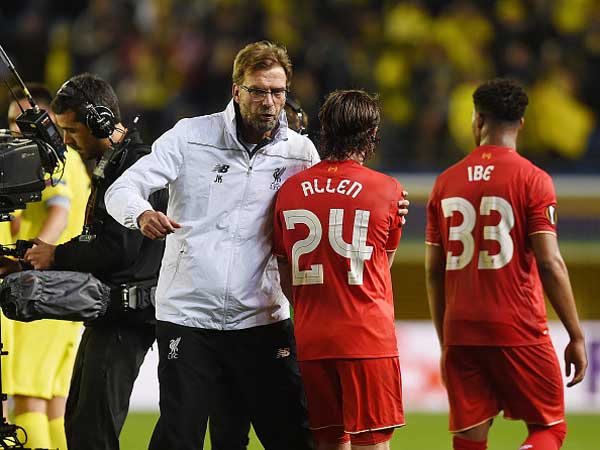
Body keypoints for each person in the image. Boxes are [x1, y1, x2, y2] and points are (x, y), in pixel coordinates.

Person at [105, 39, 318, 450]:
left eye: (277, 92)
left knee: (289, 435)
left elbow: (325, 206)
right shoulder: (191, 136)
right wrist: (142, 214)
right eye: (258, 91)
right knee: (180, 437)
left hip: (261, 317)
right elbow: (123, 188)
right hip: (188, 315)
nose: (269, 102)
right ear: (236, 91)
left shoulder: (300, 153)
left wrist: (389, 206)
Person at [425, 78, 588, 450]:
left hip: (461, 329)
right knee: (549, 428)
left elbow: (434, 271)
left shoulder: (445, 183)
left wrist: (445, 339)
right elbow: (550, 263)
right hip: (518, 326)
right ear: (521, 124)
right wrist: (576, 335)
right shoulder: (534, 180)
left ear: (478, 120)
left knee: (470, 436)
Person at [20, 73, 167, 450]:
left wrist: (55, 255)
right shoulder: (114, 163)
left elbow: (117, 247)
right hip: (109, 312)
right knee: (80, 425)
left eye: (72, 131)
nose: (66, 141)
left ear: (100, 120)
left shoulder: (137, 167)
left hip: (127, 312)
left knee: (94, 432)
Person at [272, 90, 406, 450]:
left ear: (324, 129)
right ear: (372, 133)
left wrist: (308, 304)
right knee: (372, 444)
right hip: (366, 339)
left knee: (330, 443)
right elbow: (378, 269)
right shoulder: (389, 191)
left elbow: (284, 268)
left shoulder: (288, 192)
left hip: (313, 339)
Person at [1, 84, 89, 450]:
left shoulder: (52, 160)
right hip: (70, 291)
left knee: (26, 400)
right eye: (9, 122)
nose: (14, 131)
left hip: (39, 291)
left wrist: (35, 255)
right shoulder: (75, 161)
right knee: (55, 405)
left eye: (22, 122)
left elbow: (60, 208)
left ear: (46, 121)